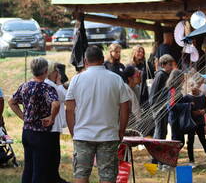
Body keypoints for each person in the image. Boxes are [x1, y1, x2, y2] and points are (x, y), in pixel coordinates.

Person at [65, 45, 130, 183]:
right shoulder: (116, 79)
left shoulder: (76, 80)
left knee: (81, 176)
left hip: (83, 134)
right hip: (109, 135)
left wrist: (73, 132)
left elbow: (69, 109)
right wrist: (121, 130)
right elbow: (125, 108)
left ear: (85, 60)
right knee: (107, 176)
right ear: (102, 59)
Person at [8, 57, 60, 183]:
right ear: (46, 71)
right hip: (41, 134)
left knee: (28, 167)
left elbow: (11, 101)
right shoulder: (46, 88)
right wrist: (51, 118)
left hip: (26, 132)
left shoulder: (24, 86)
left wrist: (23, 117)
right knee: (39, 170)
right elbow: (56, 104)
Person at [45, 62, 69, 183]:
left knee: (53, 153)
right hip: (53, 126)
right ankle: (53, 177)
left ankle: (54, 176)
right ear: (52, 72)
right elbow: (65, 96)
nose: (58, 74)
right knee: (54, 154)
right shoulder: (52, 85)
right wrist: (59, 82)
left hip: (52, 125)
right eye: (56, 71)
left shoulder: (49, 84)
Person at [184, 74, 206, 164]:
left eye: (193, 86)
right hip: (191, 122)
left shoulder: (203, 96)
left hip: (200, 122)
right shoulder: (187, 97)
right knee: (190, 141)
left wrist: (203, 111)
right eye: (190, 86)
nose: (192, 88)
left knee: (203, 140)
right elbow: (185, 109)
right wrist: (192, 112)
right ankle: (191, 160)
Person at [150, 54, 174, 139]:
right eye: (170, 65)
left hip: (164, 107)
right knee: (160, 130)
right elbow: (153, 93)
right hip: (158, 108)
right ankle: (156, 148)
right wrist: (155, 107)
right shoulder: (160, 75)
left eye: (172, 65)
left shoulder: (167, 75)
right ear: (163, 65)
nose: (172, 67)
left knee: (164, 130)